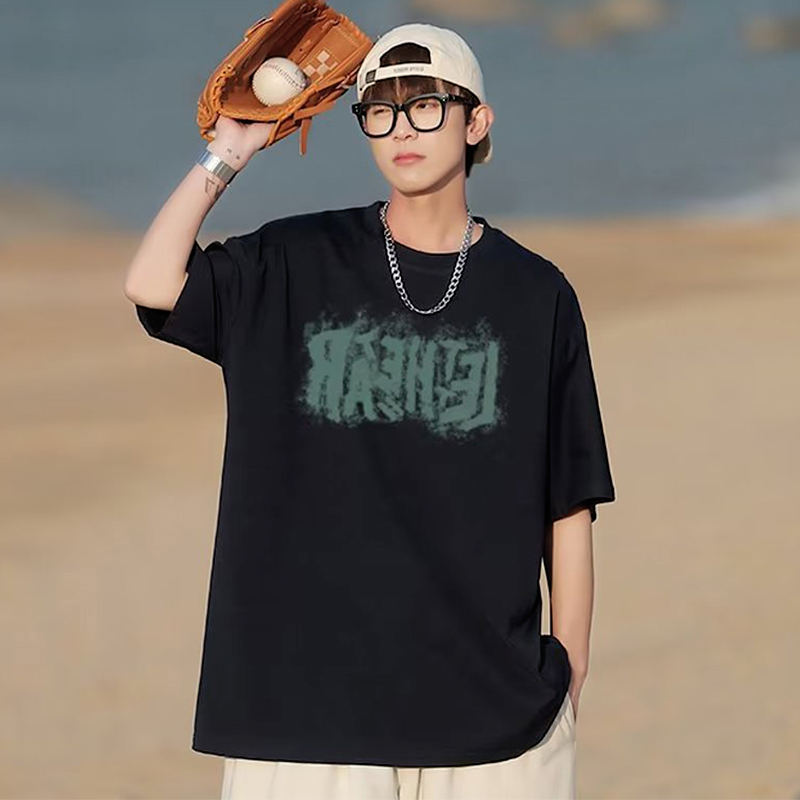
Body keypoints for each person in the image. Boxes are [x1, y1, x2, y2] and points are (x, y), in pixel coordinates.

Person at [123, 21, 615, 800]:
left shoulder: (536, 294)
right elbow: (152, 283)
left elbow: (569, 501)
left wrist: (569, 670)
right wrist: (230, 152)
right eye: (380, 111)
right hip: (303, 710)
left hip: (492, 715)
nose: (402, 129)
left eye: (426, 106)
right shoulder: (293, 263)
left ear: (476, 121)